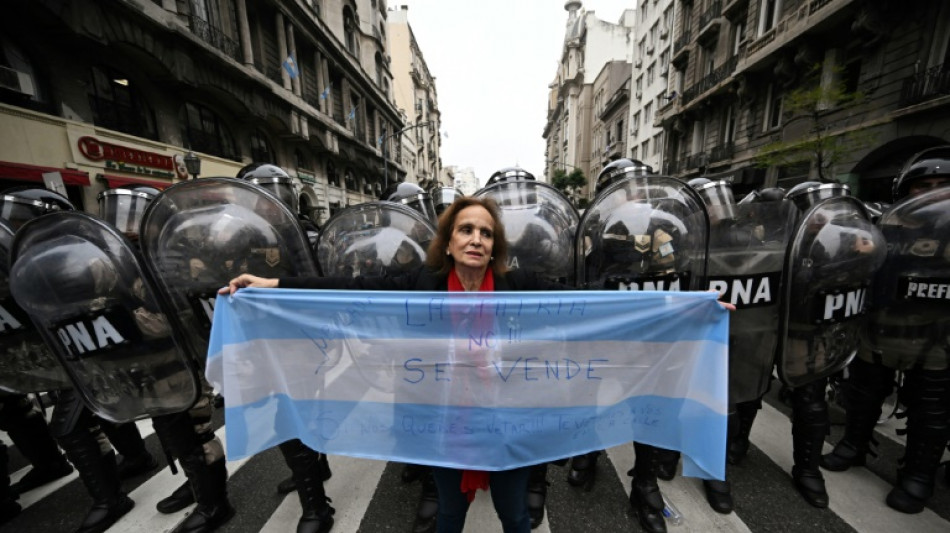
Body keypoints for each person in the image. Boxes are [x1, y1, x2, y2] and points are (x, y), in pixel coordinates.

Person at [223, 197, 554, 533]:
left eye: (486, 233)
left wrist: (612, 298)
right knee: (450, 513)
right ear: (449, 243)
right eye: (466, 229)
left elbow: (585, 300)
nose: (476, 239)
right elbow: (353, 289)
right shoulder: (423, 283)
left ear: (494, 247)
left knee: (514, 514)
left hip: (504, 422)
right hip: (445, 423)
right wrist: (274, 286)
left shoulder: (517, 285)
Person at [820, 146, 950, 513]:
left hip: (937, 335)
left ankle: (918, 475)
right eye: (923, 186)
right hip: (882, 326)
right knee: (863, 392)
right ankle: (853, 445)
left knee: (930, 408)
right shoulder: (885, 225)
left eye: (943, 185)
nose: (934, 193)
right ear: (906, 190)